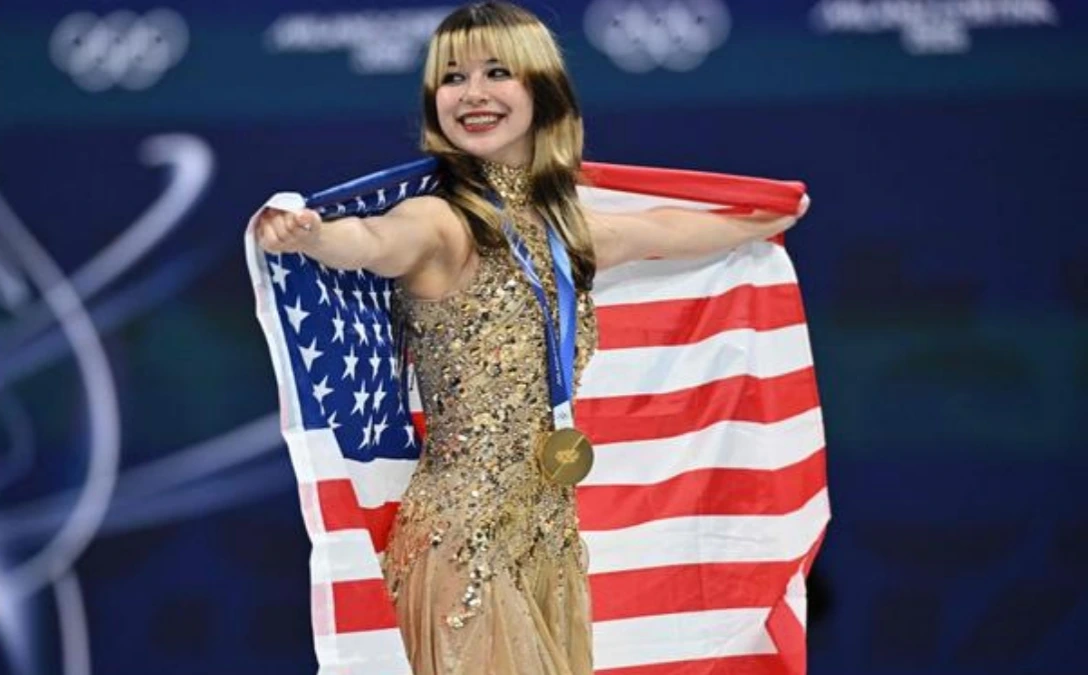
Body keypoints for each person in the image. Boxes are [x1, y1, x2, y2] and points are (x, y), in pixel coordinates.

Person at [254, 3, 808, 673]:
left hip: (549, 544)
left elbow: (665, 230)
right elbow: (371, 241)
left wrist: (770, 216)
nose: (474, 92)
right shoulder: (438, 221)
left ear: (542, 90)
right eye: (453, 77)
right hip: (463, 550)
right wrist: (310, 233)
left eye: (497, 72)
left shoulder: (565, 230)